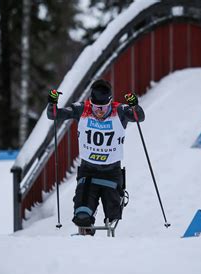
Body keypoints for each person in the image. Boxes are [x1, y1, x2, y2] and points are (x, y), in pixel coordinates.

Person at [47, 79, 145, 228]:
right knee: (82, 217)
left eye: (104, 108)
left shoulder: (120, 110)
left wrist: (135, 106)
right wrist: (52, 103)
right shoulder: (81, 109)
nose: (99, 111)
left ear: (110, 102)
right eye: (96, 107)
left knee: (113, 217)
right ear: (90, 102)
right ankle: (85, 240)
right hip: (88, 172)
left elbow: (139, 117)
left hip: (112, 173)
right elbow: (54, 115)